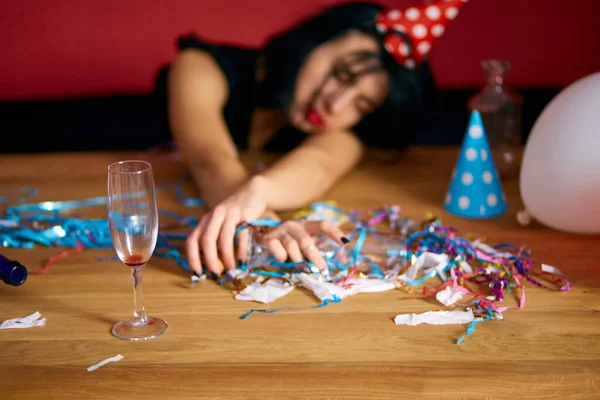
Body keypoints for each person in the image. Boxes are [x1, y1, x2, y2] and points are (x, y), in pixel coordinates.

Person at [157, 0, 466, 276]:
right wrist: (265, 223)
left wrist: (260, 194)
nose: (336, 105)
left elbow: (322, 163)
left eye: (362, 105)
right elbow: (210, 159)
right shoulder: (200, 66)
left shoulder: (345, 131)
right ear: (313, 40)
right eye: (341, 75)